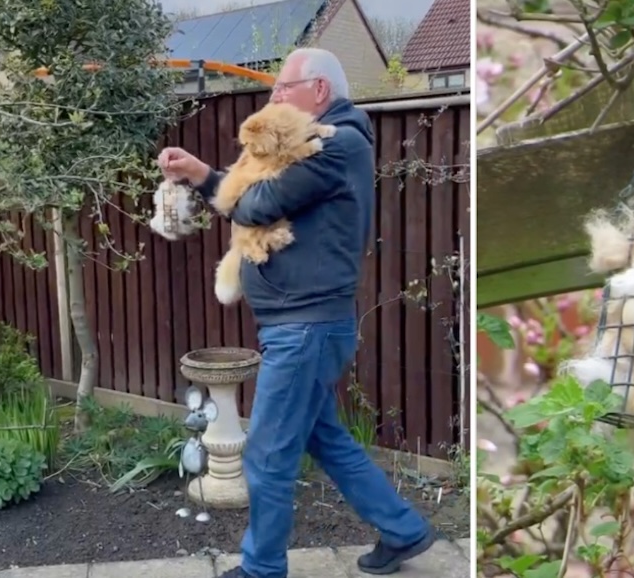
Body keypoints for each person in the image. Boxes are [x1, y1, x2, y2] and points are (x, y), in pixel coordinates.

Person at [157, 48, 436, 578]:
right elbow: (251, 195)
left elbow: (259, 205)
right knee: (323, 438)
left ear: (320, 91)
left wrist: (219, 183)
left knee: (266, 455)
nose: (275, 98)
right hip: (300, 324)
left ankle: (262, 568)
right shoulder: (318, 145)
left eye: (285, 88)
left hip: (304, 327)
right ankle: (404, 530)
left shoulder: (337, 145)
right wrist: (201, 174)